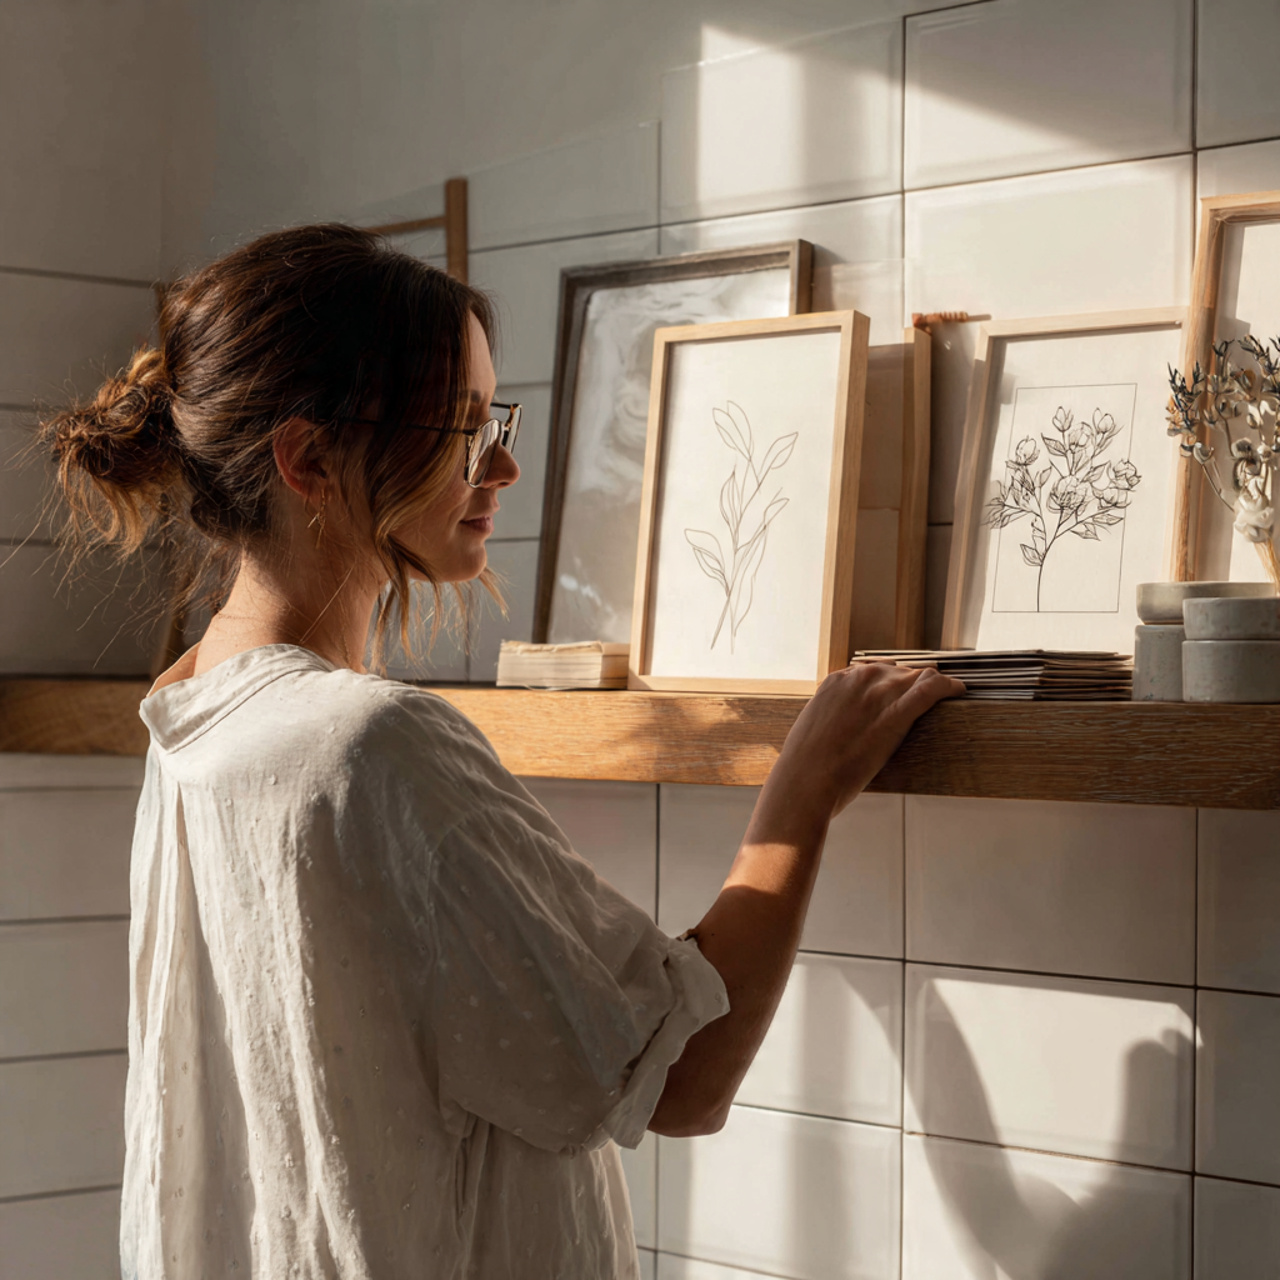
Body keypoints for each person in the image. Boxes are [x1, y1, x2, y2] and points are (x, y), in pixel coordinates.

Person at [44, 224, 963, 1279]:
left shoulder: (190, 707)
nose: (506, 464)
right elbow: (681, 1081)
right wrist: (799, 795)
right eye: (464, 427)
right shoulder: (375, 747)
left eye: (496, 420)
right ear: (307, 459)